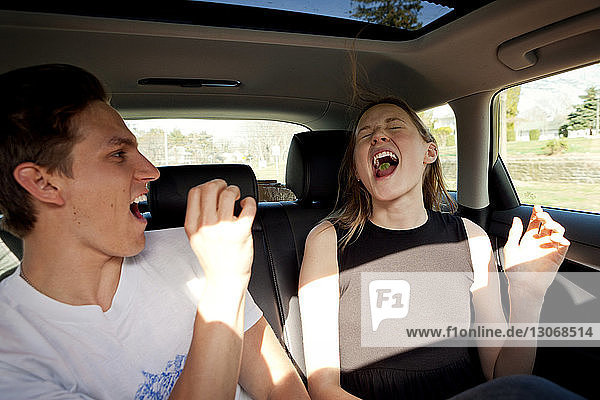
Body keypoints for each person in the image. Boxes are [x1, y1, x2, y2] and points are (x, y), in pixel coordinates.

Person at [0, 64, 309, 400]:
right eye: (118, 155)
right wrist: (224, 284)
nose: (151, 171)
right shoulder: (11, 350)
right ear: (42, 182)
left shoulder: (192, 251)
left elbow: (277, 387)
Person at [298, 98, 578, 399]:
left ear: (428, 152)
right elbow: (323, 386)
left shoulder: (471, 238)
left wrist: (527, 296)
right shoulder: (329, 240)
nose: (378, 136)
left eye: (394, 126)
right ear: (356, 169)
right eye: (365, 135)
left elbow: (503, 377)